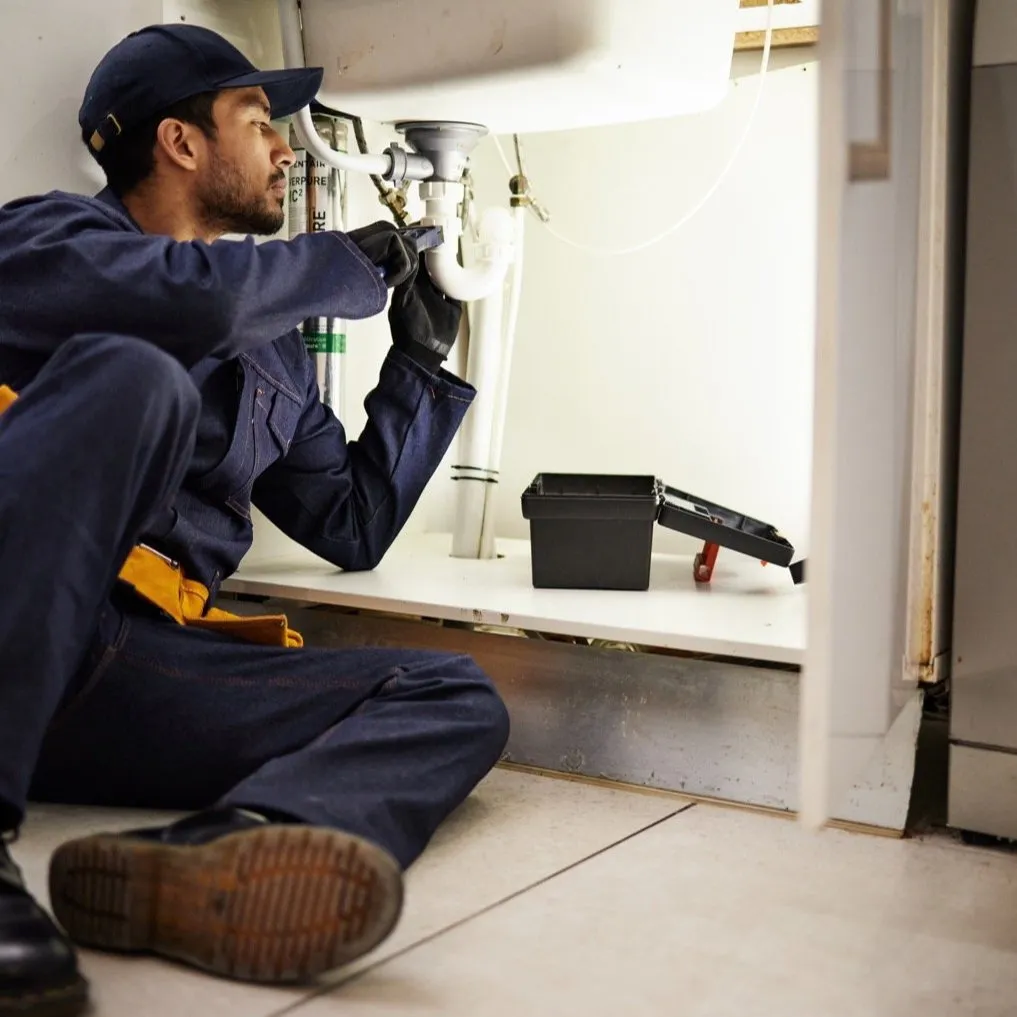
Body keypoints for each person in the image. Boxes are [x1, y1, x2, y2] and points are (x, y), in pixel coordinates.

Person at [0, 23, 510, 1017]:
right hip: (15, 611)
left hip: (122, 672)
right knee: (135, 373)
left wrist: (420, 362)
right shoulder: (47, 240)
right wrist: (338, 266)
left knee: (451, 694)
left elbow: (352, 524)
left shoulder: (274, 358)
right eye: (257, 122)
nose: (285, 148)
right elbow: (181, 307)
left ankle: (216, 855)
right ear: (181, 144)